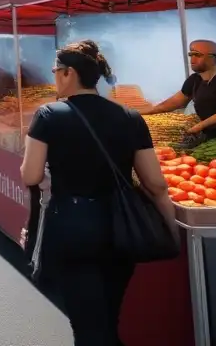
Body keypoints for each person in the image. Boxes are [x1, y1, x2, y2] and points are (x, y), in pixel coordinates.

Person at [20, 40, 175, 346]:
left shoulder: (48, 115)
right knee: (107, 317)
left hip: (72, 226)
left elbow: (31, 175)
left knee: (88, 325)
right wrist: (170, 228)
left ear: (68, 73)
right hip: (120, 227)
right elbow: (155, 184)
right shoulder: (130, 117)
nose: (54, 77)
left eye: (55, 71)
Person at [141, 39, 216, 138]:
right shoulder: (194, 80)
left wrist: (200, 126)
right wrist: (139, 112)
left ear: (212, 58)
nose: (192, 59)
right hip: (212, 139)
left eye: (197, 55)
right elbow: (171, 103)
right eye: (191, 55)